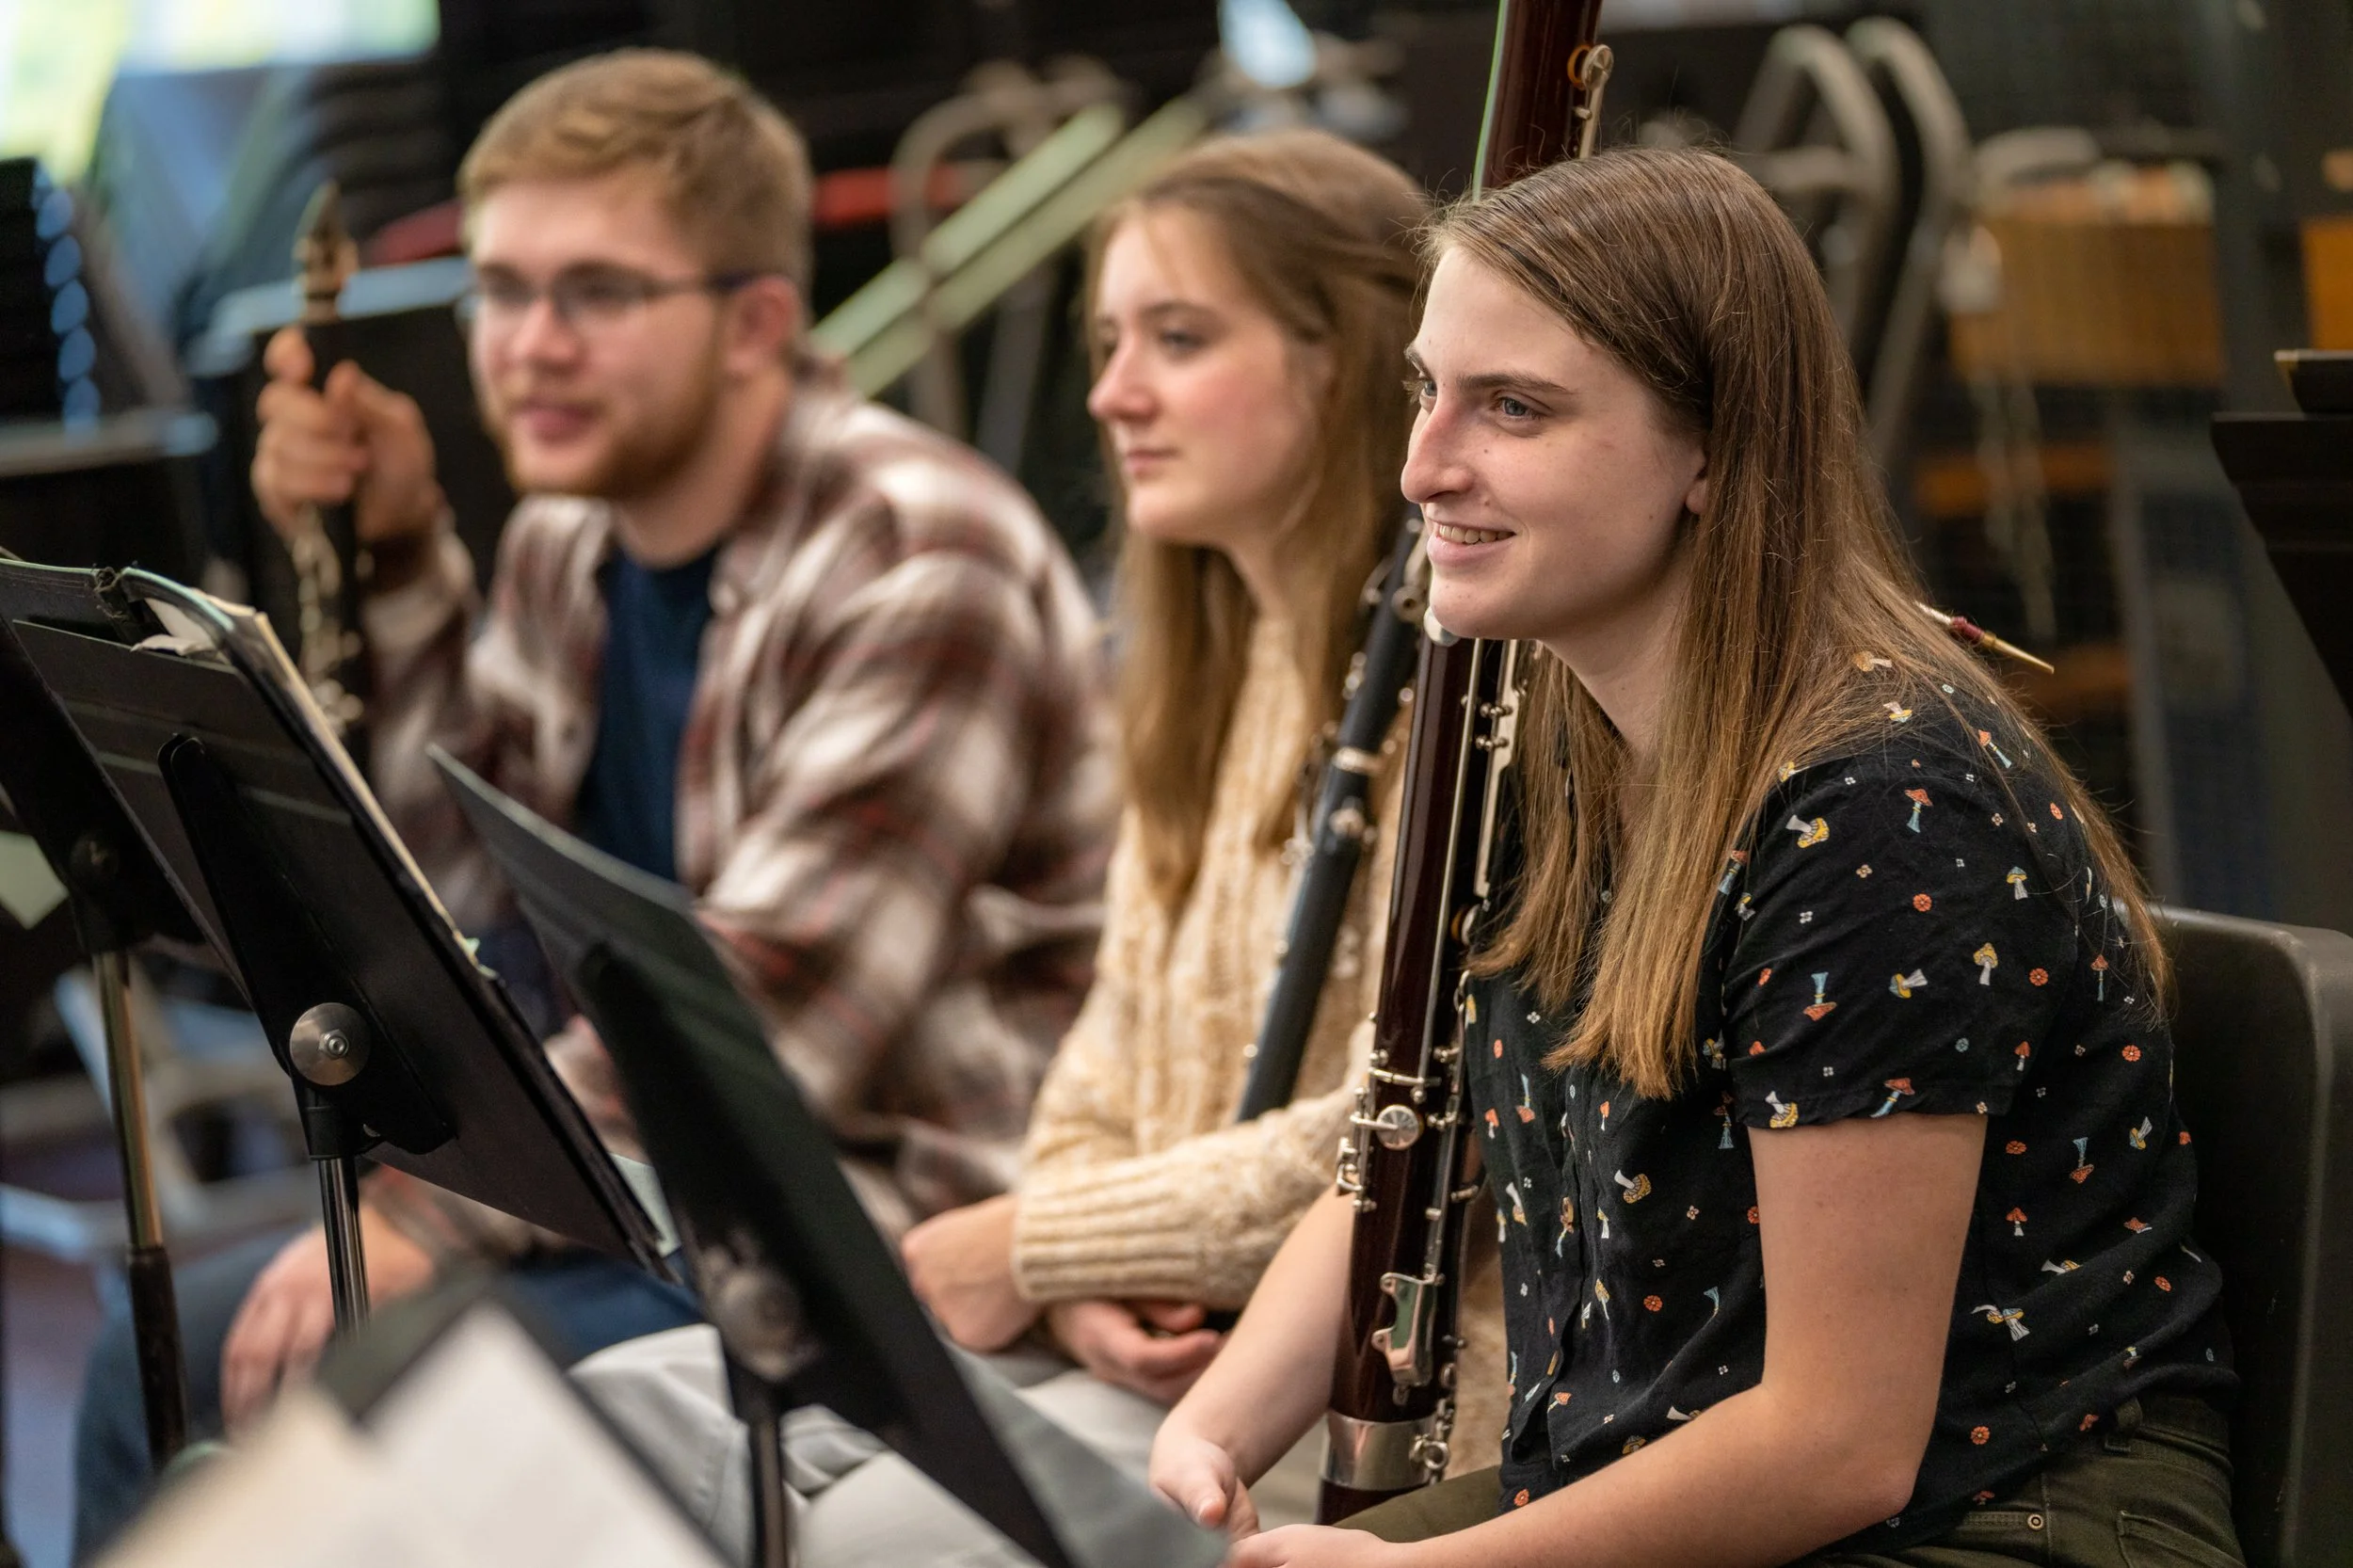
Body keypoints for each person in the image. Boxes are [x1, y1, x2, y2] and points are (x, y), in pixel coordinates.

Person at [72, 49, 1113, 1559]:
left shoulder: (918, 554)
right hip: (626, 1196)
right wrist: (407, 558)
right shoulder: (571, 541)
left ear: (759, 318)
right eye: (501, 289)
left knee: (388, 1413)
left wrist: (430, 1213)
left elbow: (746, 1038)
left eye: (599, 293)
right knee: (143, 1365)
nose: (528, 345)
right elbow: (433, 912)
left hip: (851, 1236)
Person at [1147, 145, 2241, 1568]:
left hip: (2002, 1516)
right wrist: (1211, 1430)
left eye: (1515, 409)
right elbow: (1414, 1154)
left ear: (1716, 451)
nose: (1422, 465)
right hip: (1697, 1471)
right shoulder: (1551, 725)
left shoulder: (1876, 806)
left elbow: (1837, 1440)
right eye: (1428, 389)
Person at [569, 129, 1506, 1562]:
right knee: (616, 1412)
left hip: (1334, 1408)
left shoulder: (1466, 696)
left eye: (1178, 339)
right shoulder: (1201, 667)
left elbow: (1393, 1128)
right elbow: (1107, 1045)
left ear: (1354, 361)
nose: (1111, 392)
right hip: (1142, 1338)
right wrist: (1075, 1279)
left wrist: (1038, 1246)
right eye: (1111, 338)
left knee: (863, 1530)